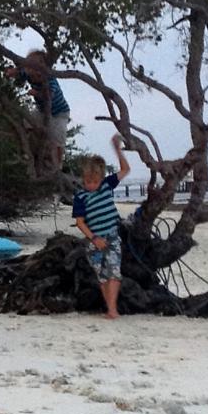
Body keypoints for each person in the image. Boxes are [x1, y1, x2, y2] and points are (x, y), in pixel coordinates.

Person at [73, 134, 131, 319]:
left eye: (94, 181)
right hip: (94, 241)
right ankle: (109, 307)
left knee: (114, 272)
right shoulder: (81, 197)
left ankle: (112, 309)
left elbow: (125, 169)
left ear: (100, 178)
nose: (91, 185)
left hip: (112, 236)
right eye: (87, 182)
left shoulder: (107, 185)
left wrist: (118, 150)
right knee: (102, 276)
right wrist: (94, 238)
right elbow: (80, 222)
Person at [4, 49, 71, 170]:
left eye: (37, 70)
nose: (34, 74)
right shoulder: (29, 74)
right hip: (41, 111)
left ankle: (58, 166)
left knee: (58, 138)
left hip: (59, 113)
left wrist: (37, 93)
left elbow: (49, 95)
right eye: (31, 69)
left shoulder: (51, 80)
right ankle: (32, 148)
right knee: (27, 123)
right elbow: (19, 72)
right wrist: (10, 73)